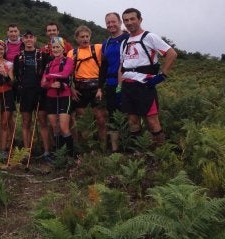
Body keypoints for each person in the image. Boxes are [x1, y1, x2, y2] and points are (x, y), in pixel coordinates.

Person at [118, 8, 177, 146]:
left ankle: (162, 152)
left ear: (140, 19)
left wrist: (162, 75)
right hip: (128, 86)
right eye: (126, 20)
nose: (129, 22)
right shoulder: (124, 42)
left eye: (132, 19)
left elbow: (172, 54)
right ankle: (138, 150)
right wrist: (119, 87)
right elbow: (122, 66)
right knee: (132, 120)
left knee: (152, 121)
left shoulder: (149, 37)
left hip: (145, 85)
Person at [13, 29, 51, 161]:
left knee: (43, 121)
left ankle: (47, 151)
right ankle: (26, 152)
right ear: (23, 40)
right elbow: (16, 76)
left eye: (31, 37)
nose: (29, 39)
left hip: (40, 92)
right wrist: (18, 89)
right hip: (25, 93)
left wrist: (44, 88)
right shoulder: (18, 57)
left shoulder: (43, 55)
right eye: (26, 37)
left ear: (35, 39)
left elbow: (48, 74)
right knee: (26, 122)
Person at [68, 26, 106, 146]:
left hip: (96, 88)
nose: (85, 39)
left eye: (87, 36)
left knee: (100, 119)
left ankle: (103, 146)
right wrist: (71, 89)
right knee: (83, 120)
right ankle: (87, 147)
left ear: (90, 37)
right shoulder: (72, 53)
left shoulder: (98, 48)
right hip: (80, 90)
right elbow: (67, 73)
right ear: (76, 38)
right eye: (82, 37)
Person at [98, 12, 129, 152]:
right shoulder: (106, 43)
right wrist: (100, 87)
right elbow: (103, 67)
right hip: (111, 84)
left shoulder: (128, 38)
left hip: (127, 82)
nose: (111, 25)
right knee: (113, 116)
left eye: (113, 22)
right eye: (108, 23)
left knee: (128, 115)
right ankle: (115, 150)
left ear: (120, 22)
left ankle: (129, 147)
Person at [41, 37, 75, 156]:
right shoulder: (49, 64)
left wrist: (48, 76)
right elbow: (42, 83)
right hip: (51, 97)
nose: (55, 49)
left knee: (64, 127)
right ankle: (59, 155)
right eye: (53, 47)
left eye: (58, 47)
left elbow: (65, 74)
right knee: (55, 127)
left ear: (63, 49)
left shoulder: (68, 61)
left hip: (64, 96)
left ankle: (71, 155)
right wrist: (51, 84)